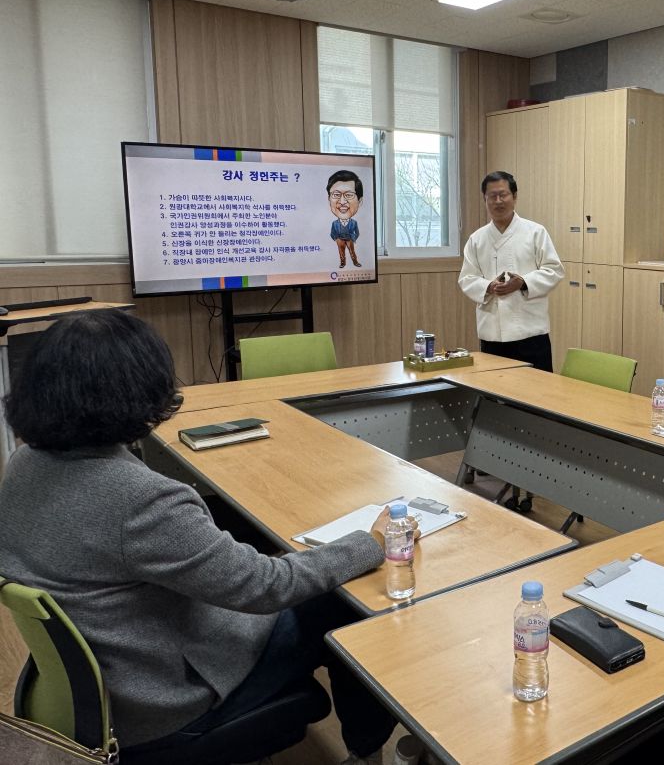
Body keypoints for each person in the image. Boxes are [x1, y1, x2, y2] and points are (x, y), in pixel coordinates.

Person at [0, 310, 395, 765]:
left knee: (256, 537)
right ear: (136, 392)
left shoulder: (23, 464)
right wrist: (370, 541)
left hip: (108, 685)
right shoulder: (142, 502)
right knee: (348, 600)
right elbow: (268, 586)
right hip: (163, 706)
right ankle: (366, 753)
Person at [459, 170, 564, 373]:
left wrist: (523, 282)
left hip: (531, 335)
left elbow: (554, 270)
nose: (498, 201)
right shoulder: (476, 239)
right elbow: (466, 278)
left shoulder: (535, 232)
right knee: (494, 397)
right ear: (485, 199)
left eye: (503, 195)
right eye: (492, 196)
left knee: (537, 396)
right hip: (492, 336)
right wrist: (488, 286)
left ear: (514, 197)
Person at [328, 169, 363, 268]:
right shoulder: (334, 223)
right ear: (329, 200)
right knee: (341, 252)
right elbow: (332, 232)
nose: (342, 201)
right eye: (336, 195)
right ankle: (342, 263)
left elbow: (357, 232)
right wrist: (336, 239)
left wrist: (353, 238)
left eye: (349, 195)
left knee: (352, 252)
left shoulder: (354, 222)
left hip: (349, 239)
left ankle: (355, 262)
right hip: (340, 239)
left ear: (360, 201)